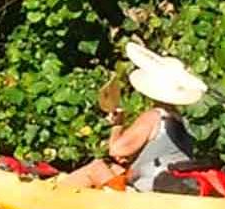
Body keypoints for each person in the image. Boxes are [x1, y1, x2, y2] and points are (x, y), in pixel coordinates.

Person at [56, 64, 206, 191]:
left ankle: (53, 197)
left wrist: (118, 125)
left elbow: (116, 150)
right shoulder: (180, 121)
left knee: (96, 167)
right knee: (115, 169)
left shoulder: (154, 116)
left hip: (149, 188)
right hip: (168, 181)